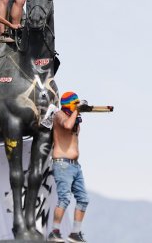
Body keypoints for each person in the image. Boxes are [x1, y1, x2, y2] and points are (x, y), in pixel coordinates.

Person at [48, 92, 90, 243]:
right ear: (69, 104)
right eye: (75, 103)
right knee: (64, 198)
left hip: (75, 166)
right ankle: (54, 231)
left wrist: (78, 114)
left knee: (83, 199)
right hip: (62, 163)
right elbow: (67, 125)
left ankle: (75, 233)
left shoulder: (73, 118)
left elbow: (74, 130)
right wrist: (77, 111)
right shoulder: (59, 115)